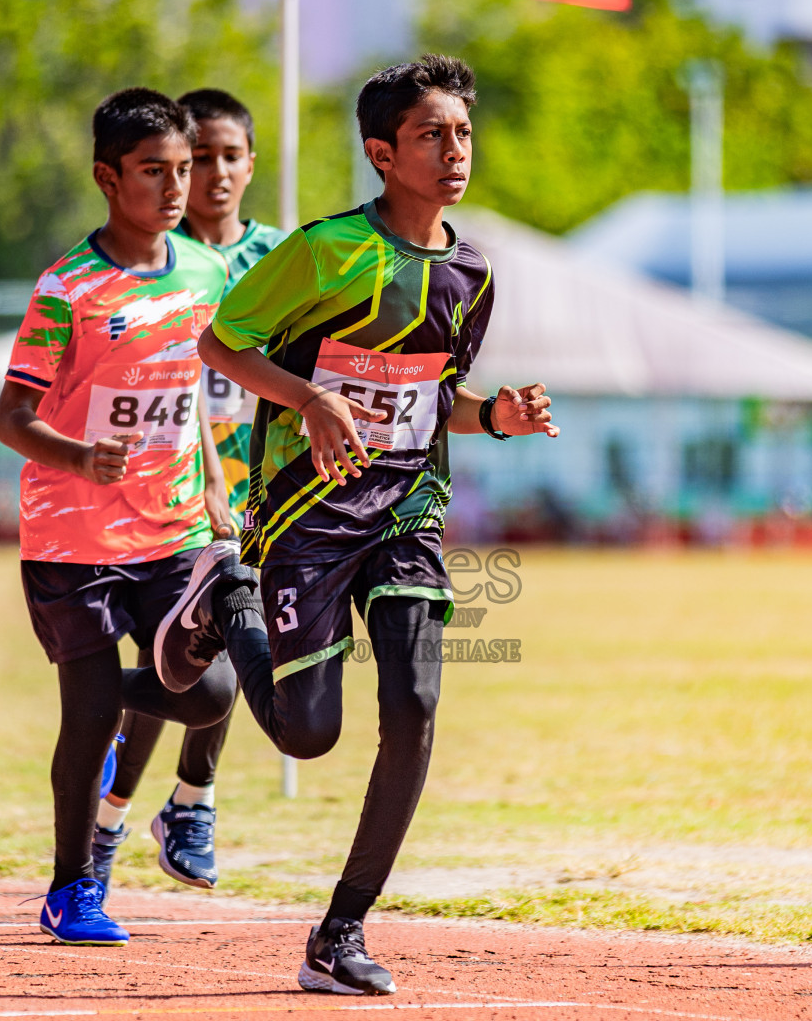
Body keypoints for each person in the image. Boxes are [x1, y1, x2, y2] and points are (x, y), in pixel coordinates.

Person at [160, 55, 559, 996]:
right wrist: (311, 402)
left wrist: (495, 415)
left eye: (462, 132)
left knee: (416, 709)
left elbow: (438, 395)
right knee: (306, 736)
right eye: (431, 135)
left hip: (409, 511)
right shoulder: (327, 250)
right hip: (306, 514)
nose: (454, 150)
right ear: (382, 153)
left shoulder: (473, 270)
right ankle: (228, 599)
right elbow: (221, 343)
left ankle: (339, 934)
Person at [0, 88, 237, 948]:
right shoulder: (69, 289)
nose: (178, 188)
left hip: (171, 533)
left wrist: (212, 485)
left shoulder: (204, 273)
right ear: (107, 177)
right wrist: (78, 457)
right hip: (72, 541)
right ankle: (71, 890)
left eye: (186, 170)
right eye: (154, 173)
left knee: (208, 689)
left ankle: (88, 723)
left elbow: (193, 395)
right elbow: (10, 419)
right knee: (93, 714)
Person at [93, 88, 287, 895]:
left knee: (233, 644)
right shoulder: (146, 257)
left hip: (253, 488)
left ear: (250, 165)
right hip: (158, 487)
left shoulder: (278, 260)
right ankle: (113, 817)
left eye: (228, 157)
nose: (211, 173)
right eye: (196, 156)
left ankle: (187, 801)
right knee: (170, 659)